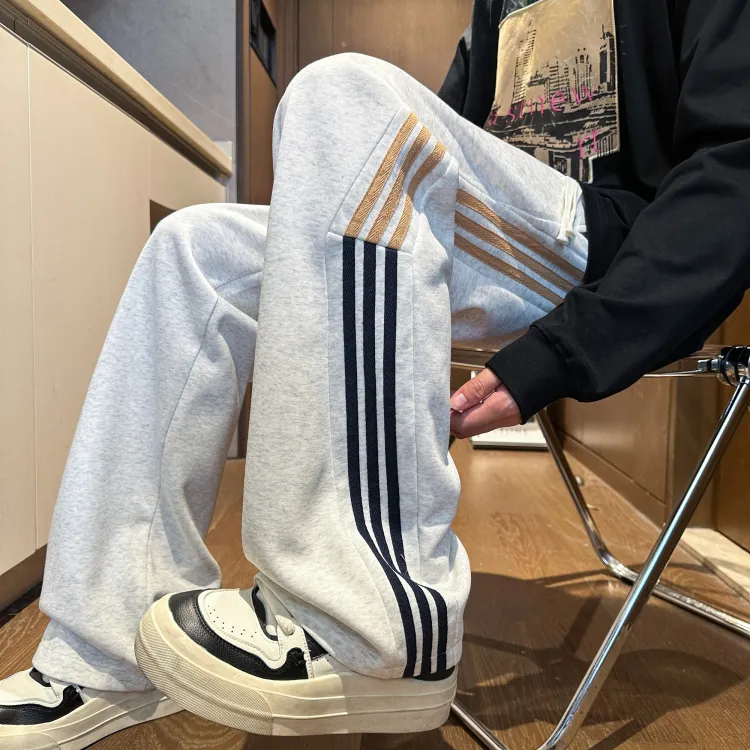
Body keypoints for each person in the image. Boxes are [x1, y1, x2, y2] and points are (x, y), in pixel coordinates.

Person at [2, 0, 750, 745]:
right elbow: (442, 142)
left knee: (347, 92)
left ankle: (369, 621)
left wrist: (564, 349)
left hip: (609, 244)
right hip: (498, 229)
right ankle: (107, 653)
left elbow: (736, 168)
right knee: (196, 247)